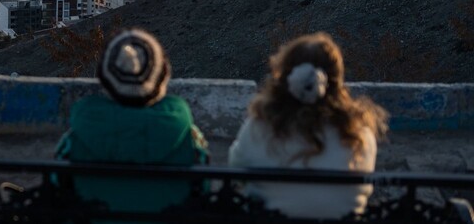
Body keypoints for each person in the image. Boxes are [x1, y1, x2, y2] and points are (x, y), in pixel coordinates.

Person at [228, 32, 388, 220]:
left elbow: (235, 169)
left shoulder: (259, 126)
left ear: (285, 77)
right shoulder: (359, 134)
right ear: (336, 79)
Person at [55, 28, 209, 216]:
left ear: (104, 80)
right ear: (163, 76)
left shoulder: (75, 139)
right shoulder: (190, 139)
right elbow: (203, 190)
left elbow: (58, 190)